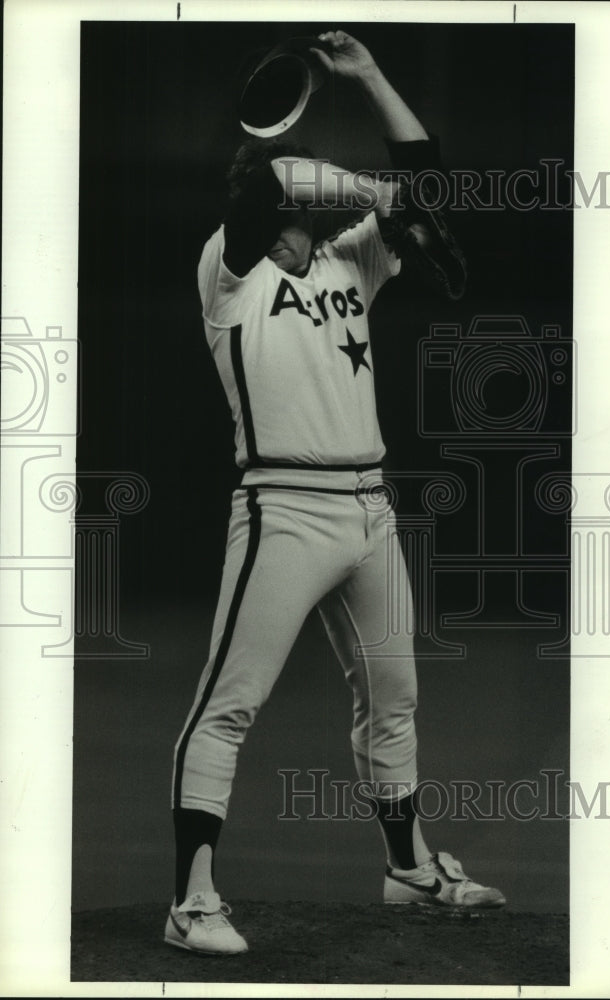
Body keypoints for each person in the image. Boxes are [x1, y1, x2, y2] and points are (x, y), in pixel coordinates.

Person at [164, 30, 504, 957]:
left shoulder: (349, 259)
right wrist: (380, 194)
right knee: (229, 702)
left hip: (369, 509)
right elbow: (272, 185)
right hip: (283, 509)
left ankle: (408, 870)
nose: (302, 203)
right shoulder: (229, 272)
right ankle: (191, 900)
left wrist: (366, 77)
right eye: (295, 191)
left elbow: (426, 181)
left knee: (393, 692)